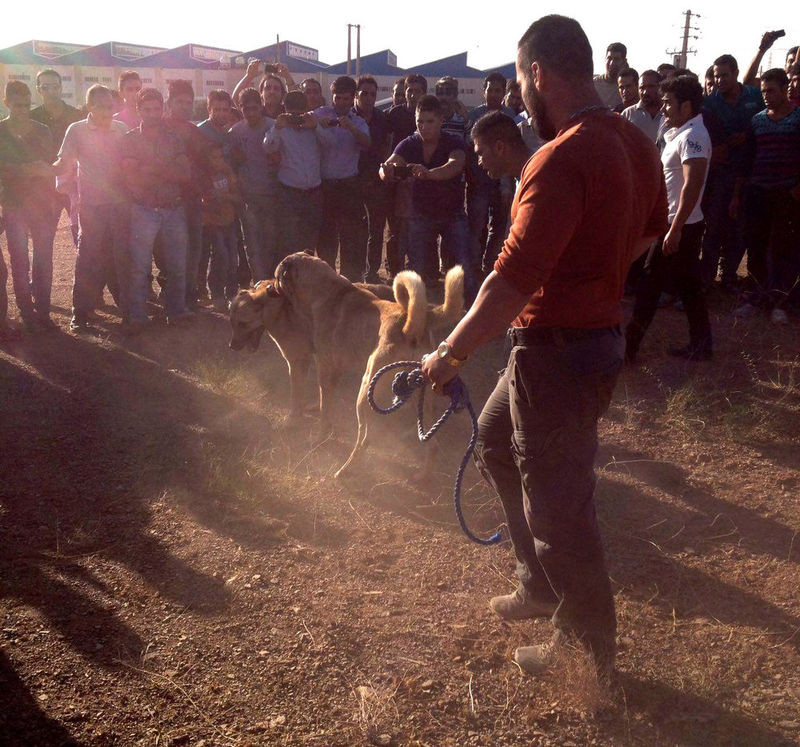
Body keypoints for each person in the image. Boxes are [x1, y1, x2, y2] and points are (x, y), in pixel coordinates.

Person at [422, 14, 667, 681]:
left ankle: (589, 652)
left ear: (538, 75)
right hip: (587, 339)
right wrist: (599, 273)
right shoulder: (635, 143)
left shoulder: (557, 159)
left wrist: (448, 352)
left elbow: (508, 281)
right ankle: (537, 583)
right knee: (498, 441)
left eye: (524, 83)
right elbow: (653, 228)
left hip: (555, 352)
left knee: (560, 507)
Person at [625, 75, 713, 362]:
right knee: (689, 287)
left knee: (649, 287)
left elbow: (693, 184)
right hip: (679, 223)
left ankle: (628, 350)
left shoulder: (693, 137)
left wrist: (673, 230)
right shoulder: (682, 133)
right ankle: (702, 344)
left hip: (678, 225)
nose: (663, 109)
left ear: (685, 107)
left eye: (668, 103)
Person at [51, 85, 130, 332]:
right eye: (101, 106)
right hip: (92, 206)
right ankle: (81, 313)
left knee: (121, 256)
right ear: (89, 107)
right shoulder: (76, 130)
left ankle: (129, 310)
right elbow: (64, 162)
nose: (108, 111)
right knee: (87, 258)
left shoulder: (122, 129)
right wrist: (43, 170)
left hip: (119, 205)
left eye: (110, 106)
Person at [382, 94, 475, 300]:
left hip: (452, 213)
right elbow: (388, 165)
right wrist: (386, 170)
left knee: (463, 266)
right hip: (421, 214)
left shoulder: (454, 142)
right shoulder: (409, 143)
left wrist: (429, 173)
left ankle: (470, 310)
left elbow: (455, 165)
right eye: (420, 122)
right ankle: (420, 314)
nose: (424, 126)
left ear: (441, 120)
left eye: (430, 121)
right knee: (417, 268)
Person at [119, 88, 193, 333]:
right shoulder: (129, 139)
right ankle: (138, 317)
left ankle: (176, 312)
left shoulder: (173, 138)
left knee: (177, 265)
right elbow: (130, 177)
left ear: (163, 109)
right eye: (147, 109)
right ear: (139, 110)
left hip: (173, 207)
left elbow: (185, 174)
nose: (152, 114)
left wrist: (150, 169)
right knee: (140, 267)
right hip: (144, 208)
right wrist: (163, 170)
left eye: (156, 108)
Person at [731, 68, 800, 324]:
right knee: (756, 247)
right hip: (758, 193)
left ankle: (779, 302)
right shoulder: (757, 120)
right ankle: (755, 297)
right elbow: (746, 163)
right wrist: (737, 195)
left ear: (785, 90)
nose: (767, 96)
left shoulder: (798, 119)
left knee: (783, 251)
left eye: (772, 90)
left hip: (787, 195)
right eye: (763, 92)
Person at [701, 54, 764, 290]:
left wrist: (747, 137)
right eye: (716, 76)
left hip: (751, 171)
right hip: (721, 173)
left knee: (741, 228)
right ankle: (706, 279)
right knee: (714, 225)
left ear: (736, 74)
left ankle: (728, 277)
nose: (719, 80)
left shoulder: (755, 96)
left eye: (724, 75)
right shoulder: (710, 103)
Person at [0, 81, 58, 332]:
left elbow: (49, 166)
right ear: (6, 103)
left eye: (26, 104)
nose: (22, 109)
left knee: (43, 258)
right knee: (19, 258)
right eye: (16, 104)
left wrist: (23, 171)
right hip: (13, 204)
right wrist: (25, 170)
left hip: (42, 204)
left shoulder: (42, 130)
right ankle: (26, 309)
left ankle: (43, 310)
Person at [313, 76, 370, 281]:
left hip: (348, 186)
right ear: (332, 96)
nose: (342, 103)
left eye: (347, 98)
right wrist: (317, 124)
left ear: (353, 98)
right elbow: (301, 118)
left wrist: (352, 129)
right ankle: (326, 280)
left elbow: (367, 143)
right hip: (325, 185)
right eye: (338, 98)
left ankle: (350, 282)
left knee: (350, 238)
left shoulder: (358, 121)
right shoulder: (321, 113)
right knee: (326, 238)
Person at [263, 90, 329, 253]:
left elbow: (330, 145)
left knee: (310, 242)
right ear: (285, 110)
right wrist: (278, 127)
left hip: (313, 193)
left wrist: (316, 127)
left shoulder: (313, 126)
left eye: (300, 114)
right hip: (289, 193)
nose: (297, 119)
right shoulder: (279, 128)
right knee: (288, 241)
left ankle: (308, 277)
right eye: (293, 114)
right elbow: (268, 147)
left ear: (306, 110)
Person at [467, 73, 517, 280]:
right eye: (490, 90)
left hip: (503, 181)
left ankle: (490, 265)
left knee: (498, 225)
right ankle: (474, 266)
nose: (494, 94)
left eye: (498, 90)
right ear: (483, 91)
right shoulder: (474, 116)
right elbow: (469, 149)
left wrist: (507, 185)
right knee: (477, 224)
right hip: (479, 180)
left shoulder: (511, 117)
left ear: (503, 93)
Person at [164, 79, 209, 310]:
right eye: (180, 102)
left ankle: (190, 296)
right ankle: (172, 298)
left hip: (192, 201)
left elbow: (204, 165)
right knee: (168, 254)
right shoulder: (159, 129)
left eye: (188, 103)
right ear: (169, 102)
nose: (184, 106)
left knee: (193, 250)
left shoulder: (195, 131)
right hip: (165, 201)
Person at [230, 87, 279, 281]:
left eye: (254, 108)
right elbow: (232, 163)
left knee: (271, 242)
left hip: (271, 195)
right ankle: (259, 282)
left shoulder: (274, 127)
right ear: (240, 109)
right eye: (246, 109)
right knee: (251, 243)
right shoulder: (235, 131)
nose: (250, 113)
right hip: (248, 197)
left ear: (261, 106)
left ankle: (272, 283)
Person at [31, 68, 83, 245]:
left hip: (73, 186)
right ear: (38, 89)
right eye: (45, 87)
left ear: (61, 88)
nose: (51, 92)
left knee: (82, 238)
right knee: (43, 243)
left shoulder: (76, 116)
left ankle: (85, 273)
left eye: (55, 87)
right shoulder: (32, 118)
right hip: (44, 188)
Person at [385, 74, 428, 276]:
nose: (411, 94)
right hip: (396, 178)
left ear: (424, 93)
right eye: (409, 90)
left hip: (422, 178)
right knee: (395, 229)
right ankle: (394, 271)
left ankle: (418, 271)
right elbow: (386, 142)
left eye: (416, 90)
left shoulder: (428, 114)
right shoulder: (394, 114)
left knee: (419, 227)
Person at [354, 75, 391, 282]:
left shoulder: (382, 118)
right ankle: (355, 270)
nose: (368, 98)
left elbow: (386, 146)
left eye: (372, 95)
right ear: (356, 95)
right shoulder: (348, 117)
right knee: (355, 229)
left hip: (376, 181)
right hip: (352, 180)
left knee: (376, 229)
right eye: (364, 93)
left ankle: (372, 272)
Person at [202, 143, 242, 311]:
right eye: (214, 157)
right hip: (213, 221)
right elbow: (203, 197)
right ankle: (217, 293)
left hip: (229, 219)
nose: (217, 161)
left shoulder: (228, 173)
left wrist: (226, 196)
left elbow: (237, 195)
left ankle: (232, 293)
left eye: (220, 157)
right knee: (220, 257)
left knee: (233, 258)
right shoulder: (204, 176)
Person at [622, 69, 664, 142]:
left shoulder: (669, 114)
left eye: (651, 87)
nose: (645, 92)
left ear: (660, 87)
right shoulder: (628, 114)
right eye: (642, 88)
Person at [594, 42, 627, 108]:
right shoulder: (594, 84)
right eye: (609, 58)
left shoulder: (627, 87)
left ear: (624, 61)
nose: (611, 63)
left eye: (616, 59)